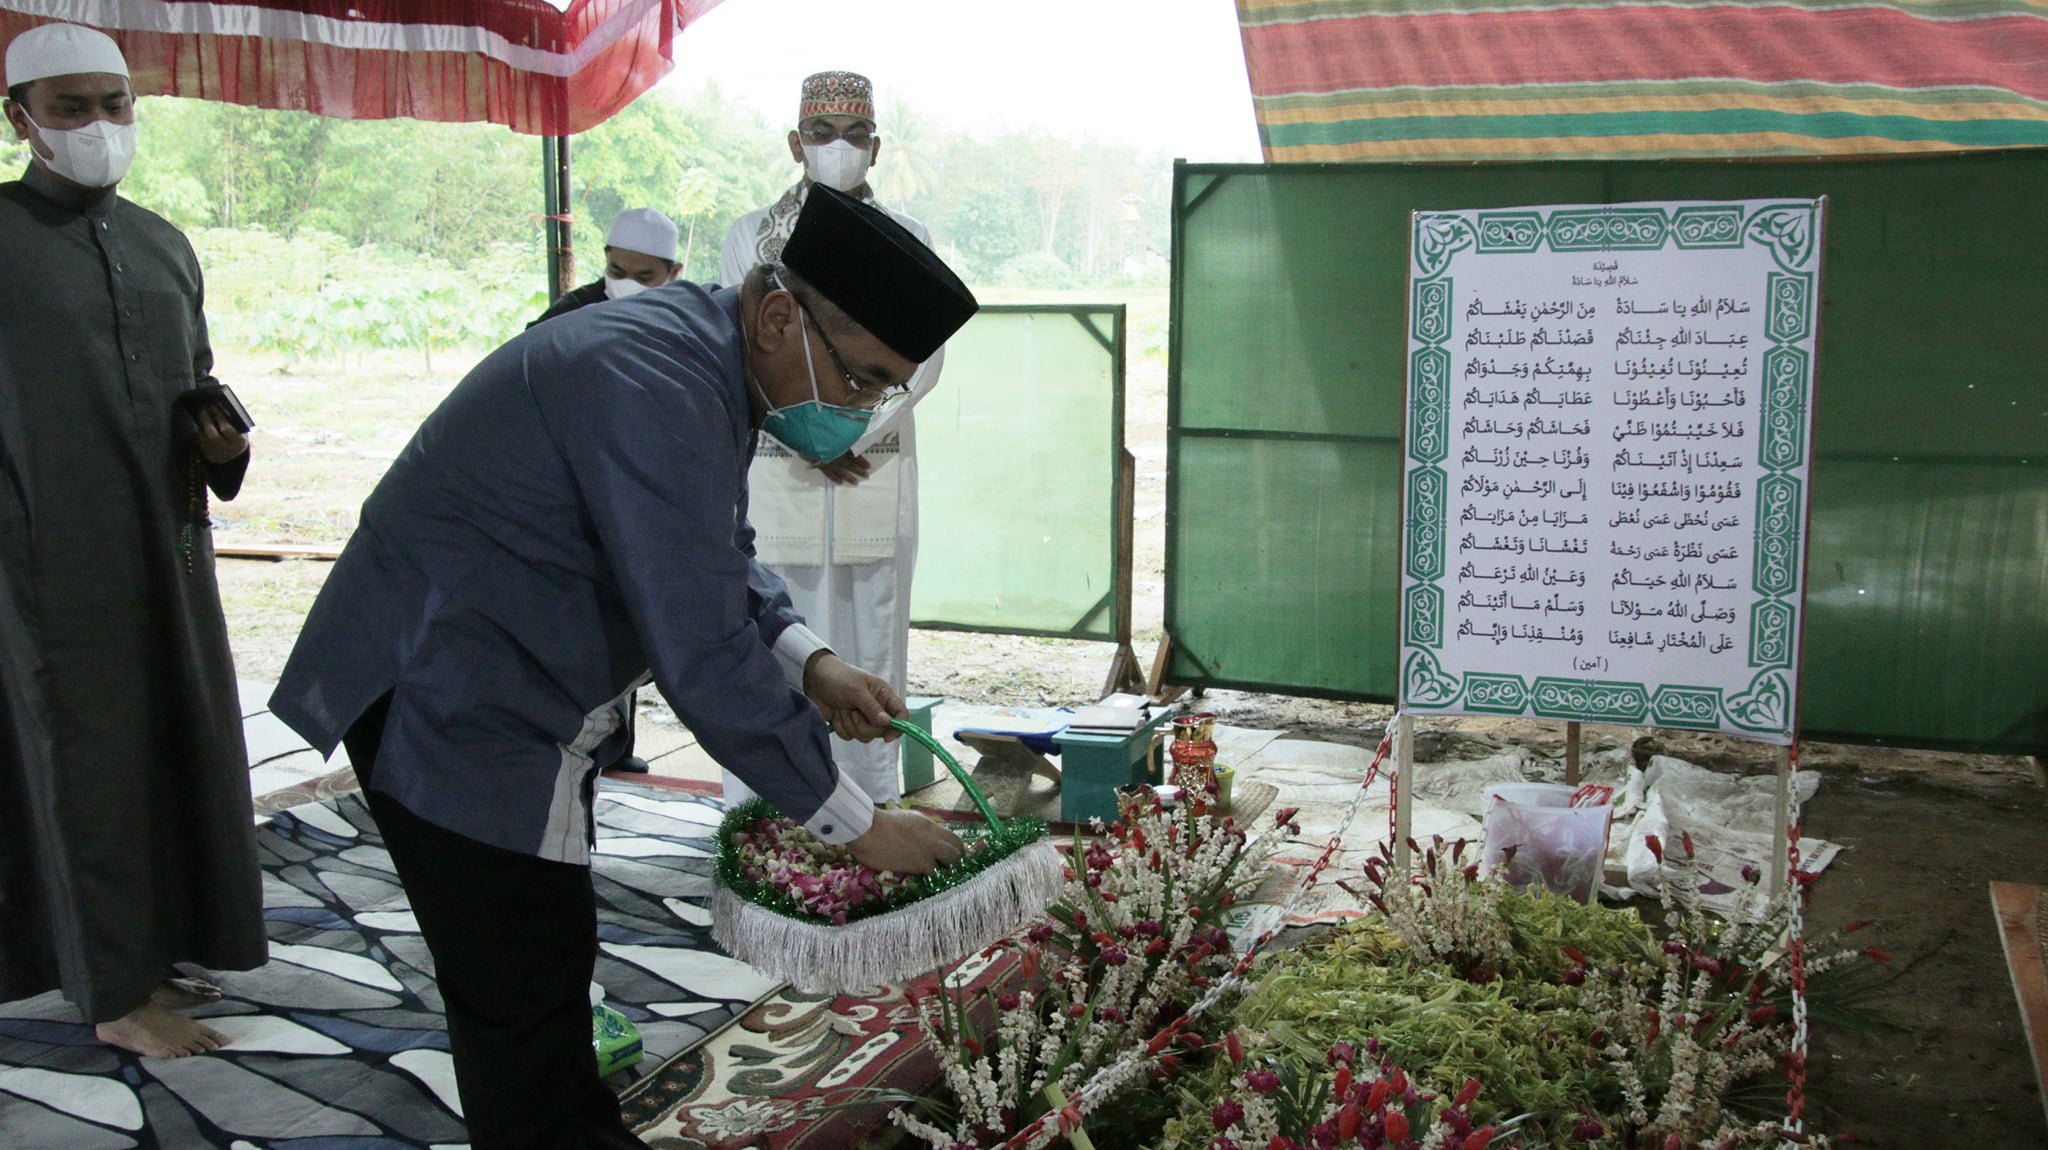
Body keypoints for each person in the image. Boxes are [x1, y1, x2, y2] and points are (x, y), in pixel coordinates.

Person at [269, 184, 978, 1150]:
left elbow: (715, 551)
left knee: (540, 968)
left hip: (500, 678)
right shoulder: (653, 380)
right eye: (862, 380)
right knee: (522, 991)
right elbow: (698, 645)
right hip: (451, 690)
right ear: (780, 318)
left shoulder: (702, 357)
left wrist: (811, 663)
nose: (860, 411)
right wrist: (856, 826)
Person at [0, 23, 265, 1059]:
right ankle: (108, 987)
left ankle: (158, 942)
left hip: (166, 542)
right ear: (21, 118)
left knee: (175, 740)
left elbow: (193, 382)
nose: (100, 127)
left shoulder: (161, 242)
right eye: (72, 108)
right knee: (82, 758)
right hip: (41, 561)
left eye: (115, 105)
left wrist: (218, 439)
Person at [718, 70, 943, 807]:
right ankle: (763, 805)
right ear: (795, 142)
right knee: (772, 623)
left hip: (870, 464)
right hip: (780, 465)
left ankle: (870, 805)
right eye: (821, 134)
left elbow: (926, 357)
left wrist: (849, 426)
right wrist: (813, 436)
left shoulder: (912, 240)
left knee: (870, 631)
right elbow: (745, 342)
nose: (836, 148)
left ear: (875, 149)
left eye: (853, 136)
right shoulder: (748, 236)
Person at [529, 207, 683, 327]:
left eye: (643, 277)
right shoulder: (570, 313)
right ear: (606, 258)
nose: (627, 284)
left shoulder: (682, 319)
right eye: (617, 272)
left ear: (673, 273)